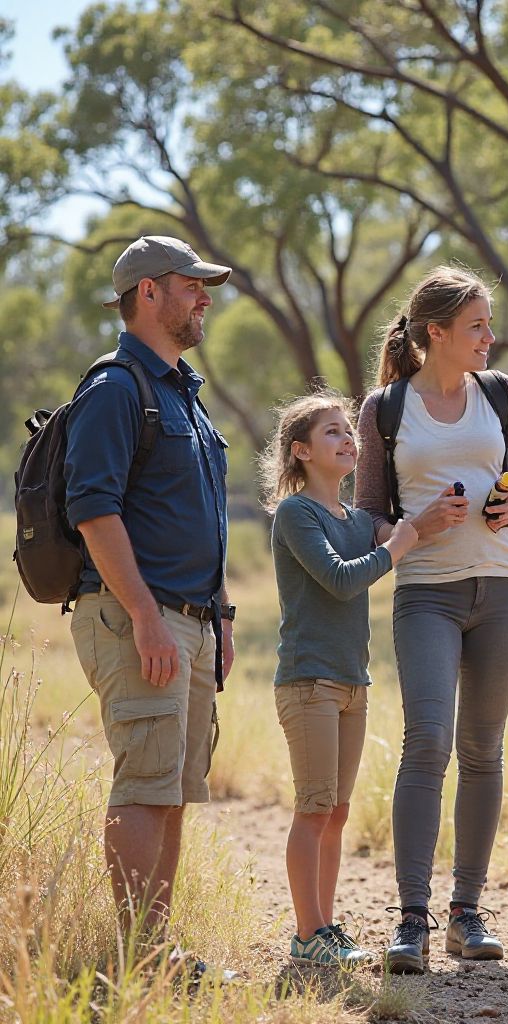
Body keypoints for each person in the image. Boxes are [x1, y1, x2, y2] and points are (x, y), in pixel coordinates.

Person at [355, 265, 508, 974]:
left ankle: (468, 913)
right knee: (427, 741)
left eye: (488, 326)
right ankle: (412, 920)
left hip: (506, 586)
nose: (490, 339)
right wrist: (413, 527)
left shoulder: (500, 393)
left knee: (483, 748)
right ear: (436, 333)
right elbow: (370, 513)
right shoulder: (385, 408)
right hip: (426, 592)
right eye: (477, 327)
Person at [65, 235, 236, 980]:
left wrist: (220, 617)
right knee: (144, 784)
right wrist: (142, 616)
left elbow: (203, 517)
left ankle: (158, 954)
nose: (204, 296)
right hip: (140, 618)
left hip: (193, 622)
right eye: (191, 285)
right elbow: (94, 511)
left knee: (171, 791)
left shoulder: (182, 393)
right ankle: (137, 961)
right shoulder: (113, 388)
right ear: (148, 295)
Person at [258, 389, 419, 967]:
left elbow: (397, 535)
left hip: (354, 684)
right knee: (313, 807)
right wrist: (396, 548)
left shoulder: (354, 519)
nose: (348, 438)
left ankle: (325, 929)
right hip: (309, 683)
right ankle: (307, 935)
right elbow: (339, 579)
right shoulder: (296, 514)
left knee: (338, 811)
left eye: (349, 429)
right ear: (300, 452)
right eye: (331, 432)